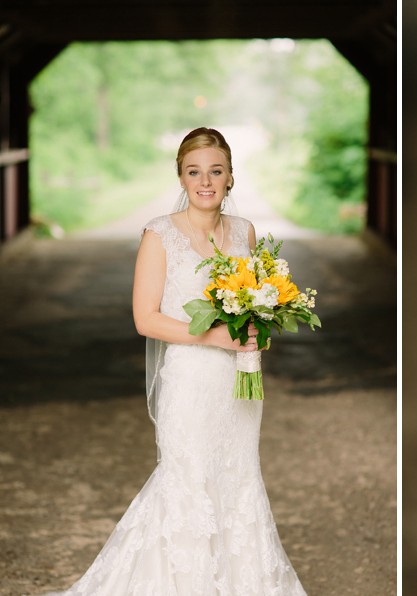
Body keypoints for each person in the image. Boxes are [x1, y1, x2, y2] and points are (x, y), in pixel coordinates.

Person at [48, 127, 306, 595]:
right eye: (194, 172)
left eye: (216, 171)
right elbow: (145, 319)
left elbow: (255, 306)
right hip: (190, 382)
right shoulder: (159, 234)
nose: (205, 181)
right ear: (181, 177)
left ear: (230, 177)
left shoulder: (245, 232)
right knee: (187, 483)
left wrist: (257, 332)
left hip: (238, 386)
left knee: (238, 478)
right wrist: (217, 337)